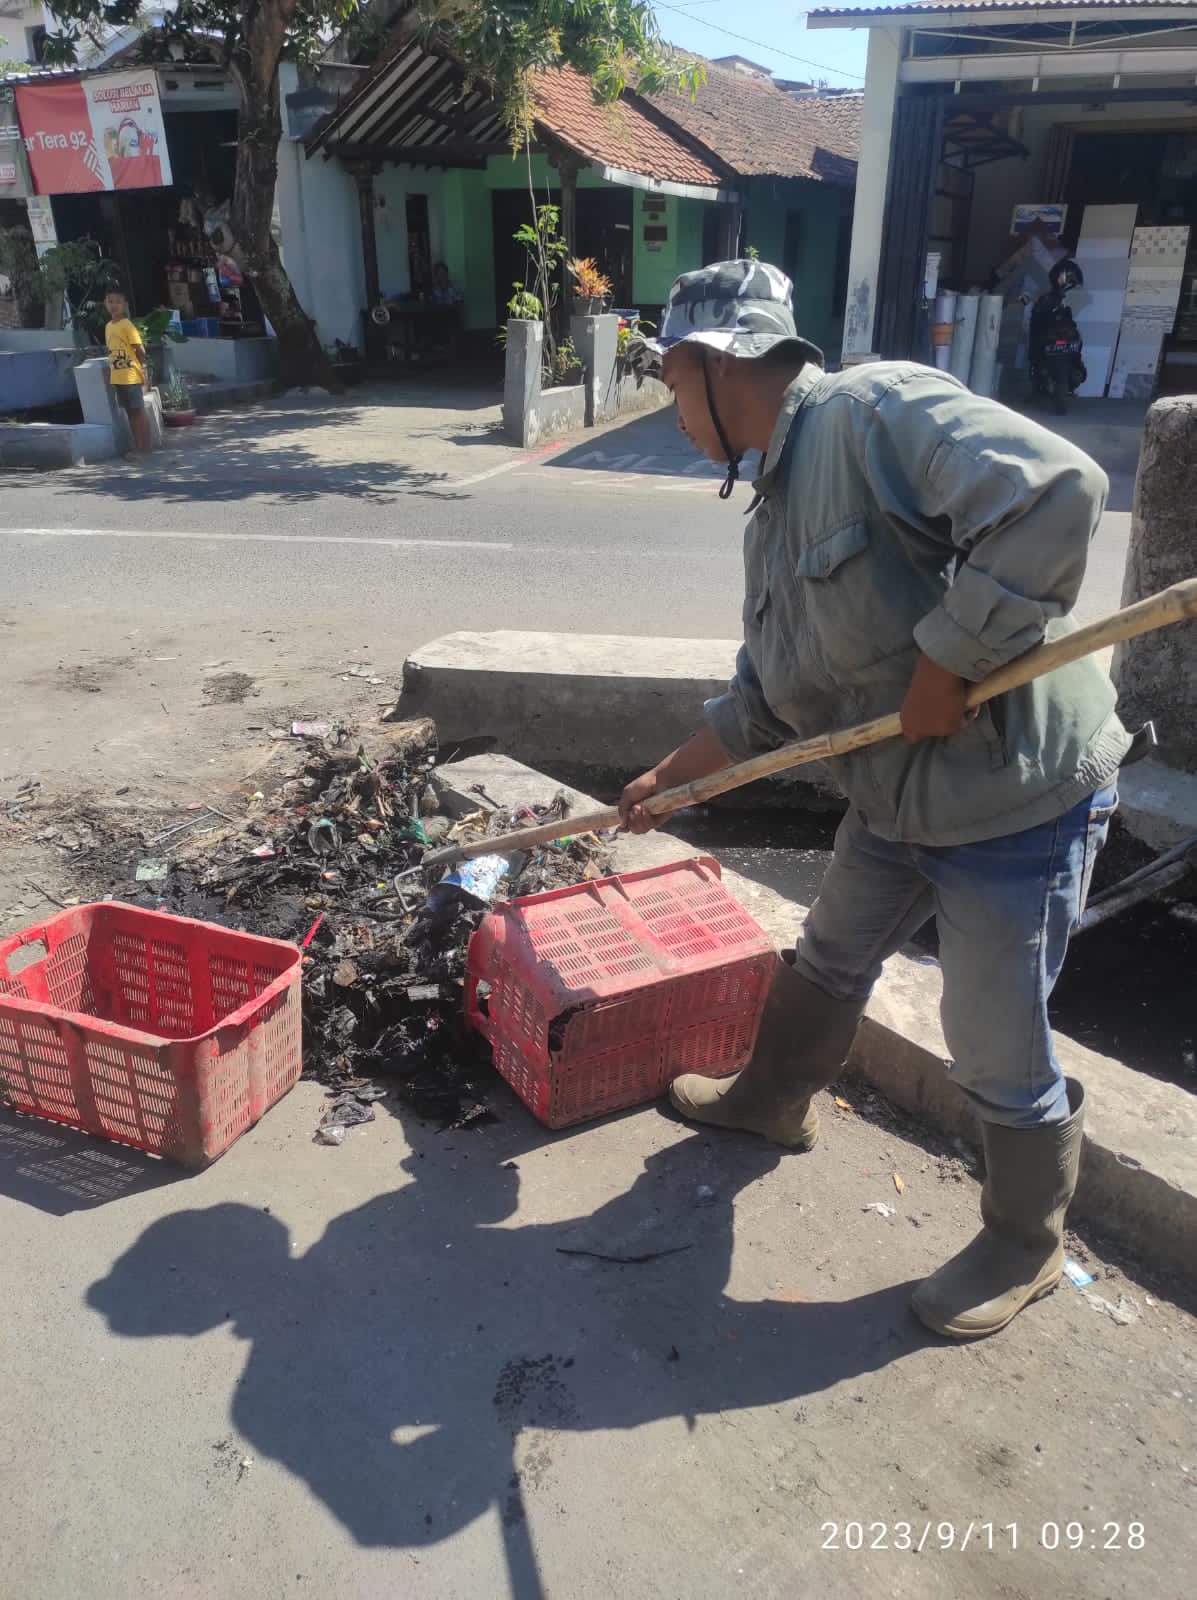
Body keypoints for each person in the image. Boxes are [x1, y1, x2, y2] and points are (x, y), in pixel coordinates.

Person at [621, 259, 1130, 1341]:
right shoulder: (772, 516)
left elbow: (1056, 491)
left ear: (717, 364)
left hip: (1016, 792)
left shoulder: (873, 414)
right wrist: (671, 777)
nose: (674, 416)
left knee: (991, 1036)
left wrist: (948, 659)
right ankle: (771, 1101)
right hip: (899, 795)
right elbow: (767, 701)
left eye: (671, 386)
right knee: (829, 952)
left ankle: (1025, 1239)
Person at [103, 287, 151, 453]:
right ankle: (138, 448)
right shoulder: (108, 327)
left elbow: (140, 351)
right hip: (118, 378)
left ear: (124, 305)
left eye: (118, 302)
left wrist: (138, 369)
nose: (114, 305)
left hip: (131, 377)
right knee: (130, 414)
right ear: (105, 304)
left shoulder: (127, 325)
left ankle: (145, 449)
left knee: (138, 412)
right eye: (110, 301)